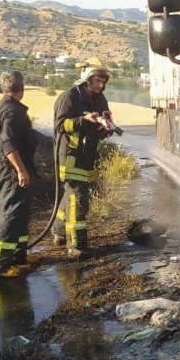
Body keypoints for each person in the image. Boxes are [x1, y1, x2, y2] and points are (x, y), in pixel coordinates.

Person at [52, 58, 115, 259]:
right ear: (87, 78)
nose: (101, 85)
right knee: (79, 201)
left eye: (104, 81)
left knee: (69, 197)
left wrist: (107, 128)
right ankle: (76, 246)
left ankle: (58, 232)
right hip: (70, 157)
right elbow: (60, 126)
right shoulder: (69, 97)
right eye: (97, 80)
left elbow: (104, 124)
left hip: (87, 157)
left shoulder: (100, 99)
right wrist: (82, 120)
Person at [0, 71, 39, 277]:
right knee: (9, 211)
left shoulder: (4, 107)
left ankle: (17, 255)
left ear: (2, 88)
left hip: (8, 166)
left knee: (20, 212)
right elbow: (7, 144)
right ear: (21, 89)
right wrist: (21, 170)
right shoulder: (11, 111)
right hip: (10, 169)